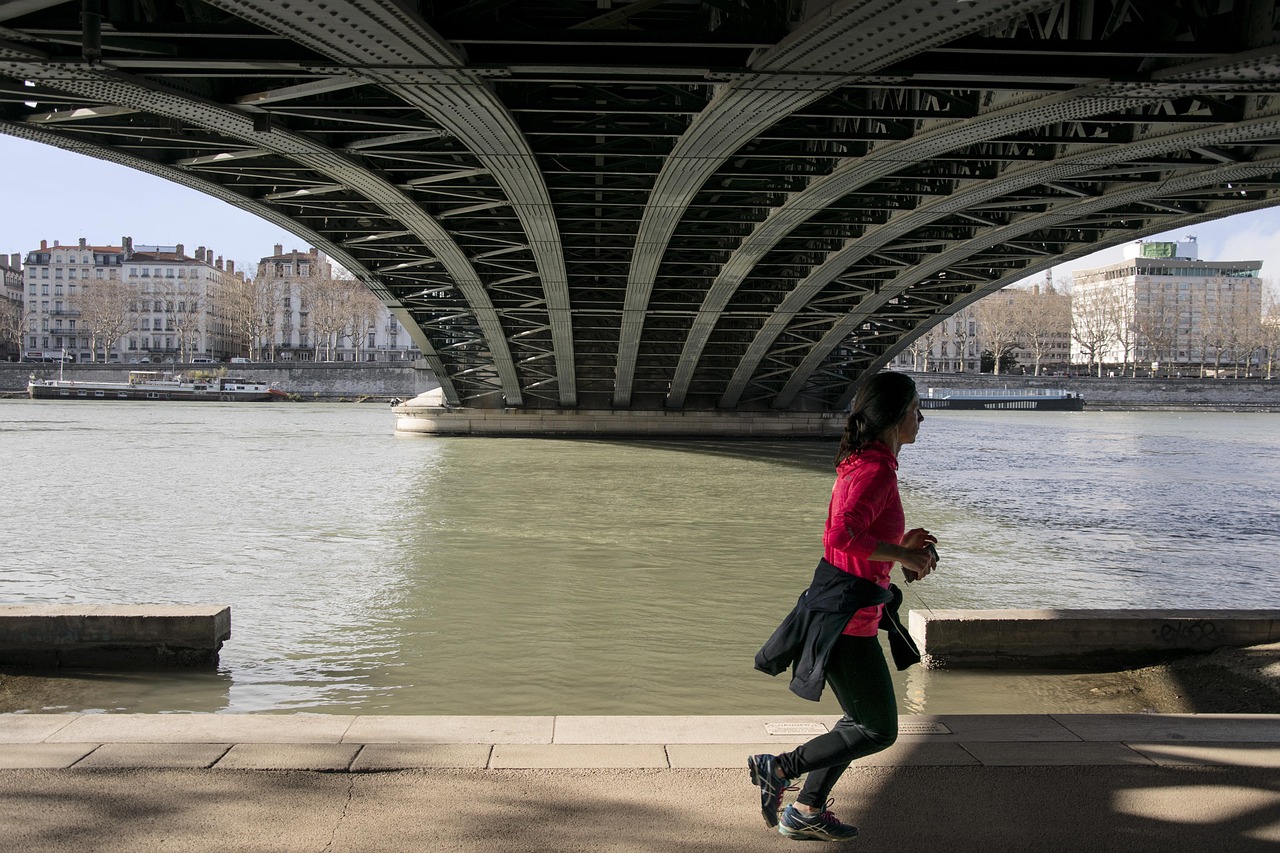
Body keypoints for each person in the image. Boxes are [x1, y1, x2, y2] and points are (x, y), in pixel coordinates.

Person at [748, 371, 938, 842]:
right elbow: (839, 537)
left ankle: (806, 809)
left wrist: (901, 545)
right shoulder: (873, 470)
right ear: (896, 417)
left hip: (846, 608)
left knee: (859, 720)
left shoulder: (869, 464)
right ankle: (779, 768)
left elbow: (855, 539)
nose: (921, 416)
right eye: (916, 407)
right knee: (878, 730)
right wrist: (905, 554)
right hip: (844, 619)